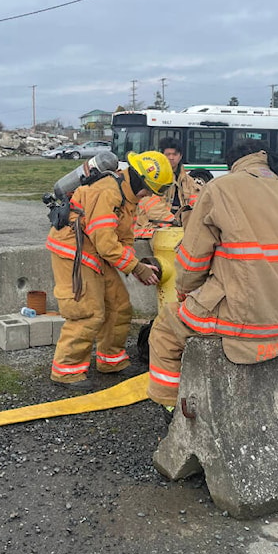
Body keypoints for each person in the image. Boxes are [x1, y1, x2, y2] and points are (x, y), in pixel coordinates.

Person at [146, 139, 278, 410]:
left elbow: (191, 266)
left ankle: (171, 409)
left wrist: (186, 294)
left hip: (234, 320)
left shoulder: (219, 189)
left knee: (165, 331)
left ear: (234, 164)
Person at [47, 150, 174, 390]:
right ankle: (66, 371)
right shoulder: (107, 192)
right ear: (140, 181)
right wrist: (137, 268)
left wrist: (134, 263)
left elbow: (123, 237)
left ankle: (111, 361)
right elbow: (105, 241)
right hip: (75, 252)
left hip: (96, 252)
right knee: (88, 312)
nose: (148, 195)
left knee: (119, 306)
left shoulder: (127, 196)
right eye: (149, 189)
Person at [132, 137, 210, 238]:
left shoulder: (189, 181)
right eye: (168, 154)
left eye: (175, 154)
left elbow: (198, 204)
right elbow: (152, 208)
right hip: (154, 228)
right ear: (162, 156)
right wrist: (173, 222)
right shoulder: (153, 177)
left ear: (180, 156)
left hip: (180, 229)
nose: (171, 157)